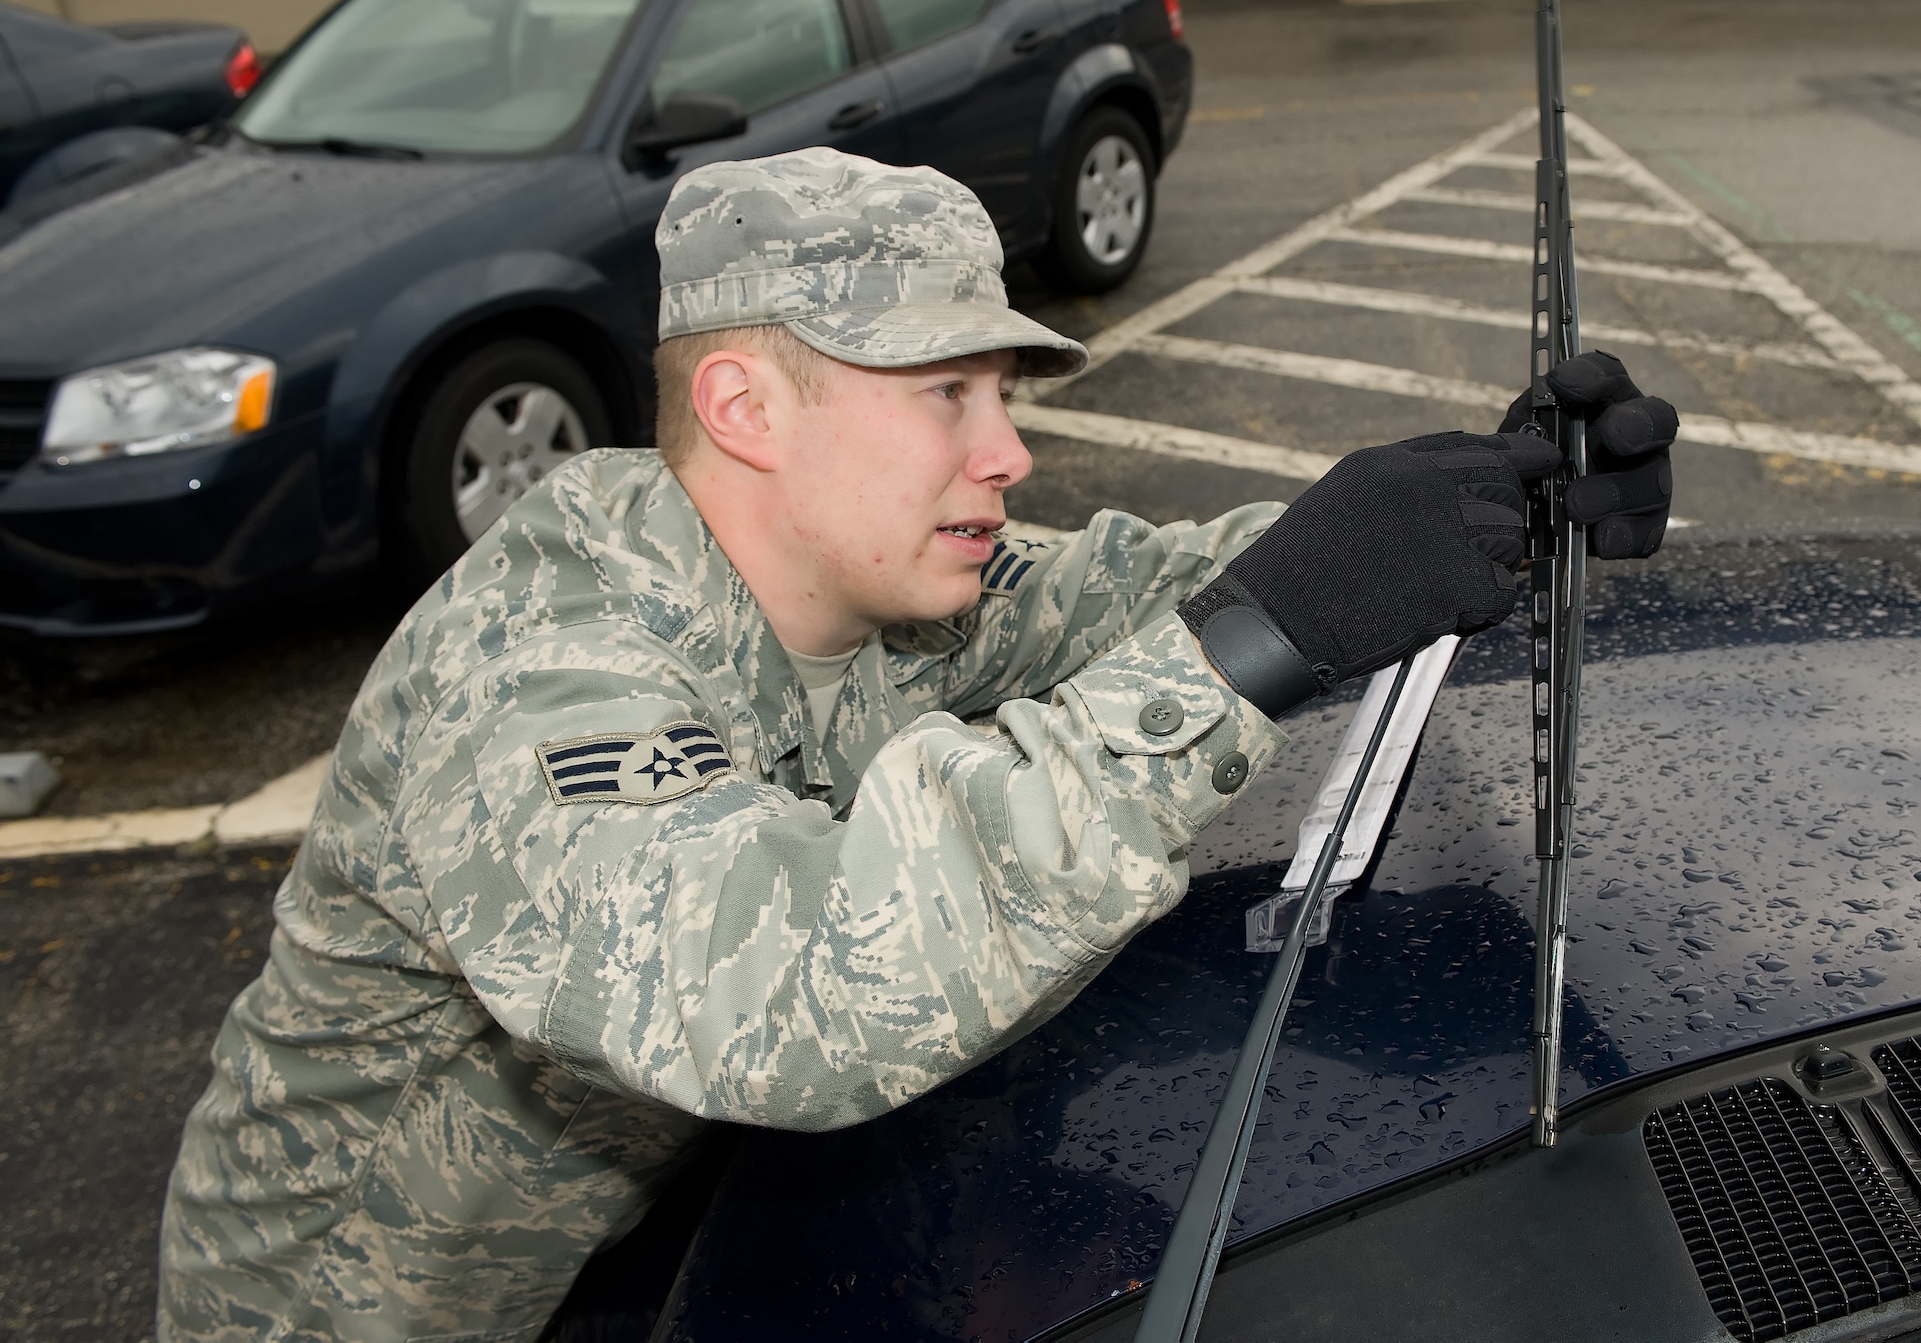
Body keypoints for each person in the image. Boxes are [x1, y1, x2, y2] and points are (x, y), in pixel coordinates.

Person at [157, 149, 1676, 1342]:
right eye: (946, 393)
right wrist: (1256, 646)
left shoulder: (884, 584)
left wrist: (1457, 511)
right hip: (368, 1311)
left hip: (637, 1226)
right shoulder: (545, 661)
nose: (1006, 453)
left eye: (1001, 397)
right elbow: (792, 985)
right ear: (745, 407)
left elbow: (1145, 596)